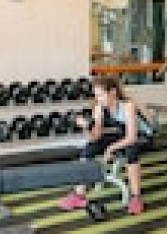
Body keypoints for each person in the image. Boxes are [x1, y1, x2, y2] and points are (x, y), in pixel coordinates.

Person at [59, 76, 151, 215]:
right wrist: (87, 126)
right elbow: (95, 136)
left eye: (101, 95)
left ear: (113, 92)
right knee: (89, 148)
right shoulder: (99, 108)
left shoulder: (128, 105)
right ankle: (79, 194)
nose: (99, 98)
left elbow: (132, 137)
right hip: (122, 134)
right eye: (97, 95)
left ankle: (136, 197)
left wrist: (110, 148)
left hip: (142, 136)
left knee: (131, 150)